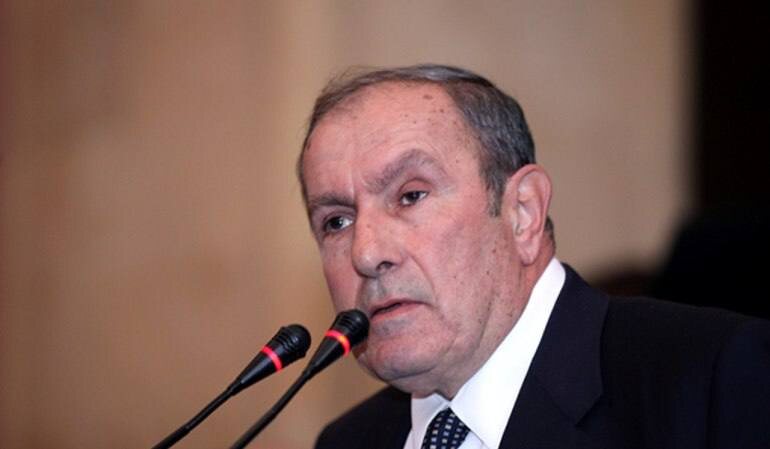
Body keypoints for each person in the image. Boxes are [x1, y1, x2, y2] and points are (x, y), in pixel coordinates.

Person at [296, 64, 770, 449]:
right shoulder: (348, 442)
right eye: (336, 222)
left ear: (522, 212)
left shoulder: (714, 379)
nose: (367, 252)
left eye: (411, 196)